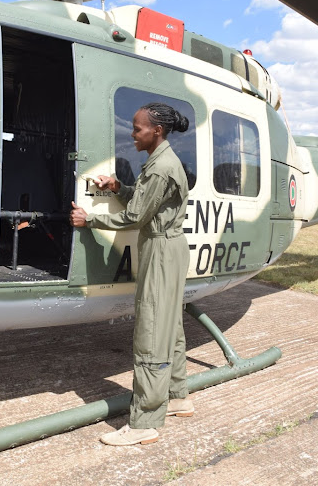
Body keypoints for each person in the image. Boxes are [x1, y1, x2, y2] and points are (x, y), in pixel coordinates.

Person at [70, 103, 193, 446]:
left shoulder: (160, 168)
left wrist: (89, 219)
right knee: (170, 325)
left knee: (152, 330)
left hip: (162, 249)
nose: (132, 133)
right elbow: (145, 203)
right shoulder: (162, 162)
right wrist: (117, 188)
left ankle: (145, 423)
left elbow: (135, 218)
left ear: (156, 132)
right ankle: (178, 396)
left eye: (137, 129)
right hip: (168, 247)